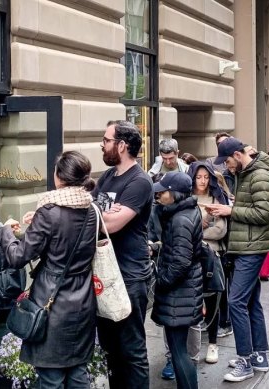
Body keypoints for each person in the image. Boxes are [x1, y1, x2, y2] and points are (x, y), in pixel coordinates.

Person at [0, 151, 98, 389]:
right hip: (83, 301)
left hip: (52, 305)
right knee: (77, 373)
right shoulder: (91, 210)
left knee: (51, 379)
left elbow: (18, 257)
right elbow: (68, 239)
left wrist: (5, 233)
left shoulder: (50, 211)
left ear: (59, 176)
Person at [205, 137, 269, 382]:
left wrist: (231, 210)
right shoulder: (249, 173)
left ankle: (245, 360)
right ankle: (259, 356)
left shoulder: (259, 175)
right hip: (249, 245)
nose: (226, 166)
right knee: (250, 302)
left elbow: (265, 213)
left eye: (227, 161)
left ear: (237, 155)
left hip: (252, 247)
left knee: (235, 301)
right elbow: (256, 207)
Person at [93, 120, 153, 389]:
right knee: (110, 348)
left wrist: (102, 215)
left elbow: (112, 224)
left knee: (132, 350)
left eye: (106, 140)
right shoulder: (107, 177)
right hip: (105, 274)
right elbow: (93, 214)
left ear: (122, 145)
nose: (102, 145)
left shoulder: (140, 181)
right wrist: (102, 213)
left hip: (130, 276)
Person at [151, 172, 203, 389]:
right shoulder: (186, 212)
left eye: (163, 192)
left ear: (174, 194)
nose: (159, 195)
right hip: (183, 290)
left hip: (179, 293)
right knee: (178, 349)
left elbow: (181, 262)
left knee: (179, 351)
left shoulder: (180, 219)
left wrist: (161, 281)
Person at [188, 161, 231, 364]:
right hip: (189, 255)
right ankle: (192, 346)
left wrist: (194, 233)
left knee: (212, 298)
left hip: (212, 255)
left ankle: (212, 343)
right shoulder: (187, 197)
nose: (203, 181)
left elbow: (220, 230)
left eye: (206, 177)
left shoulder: (216, 197)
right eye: (199, 177)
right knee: (192, 300)